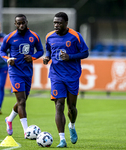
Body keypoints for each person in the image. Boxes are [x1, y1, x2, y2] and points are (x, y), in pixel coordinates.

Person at [43, 12, 89, 148]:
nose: (56, 25)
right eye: (55, 23)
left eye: (59, 23)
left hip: (72, 76)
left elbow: (85, 53)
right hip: (56, 75)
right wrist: (47, 58)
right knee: (59, 105)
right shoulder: (49, 36)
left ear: (66, 23)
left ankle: (72, 125)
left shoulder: (75, 36)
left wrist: (70, 56)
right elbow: (48, 50)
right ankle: (62, 139)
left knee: (72, 108)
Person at [0, 14, 44, 138]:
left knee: (22, 101)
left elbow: (41, 50)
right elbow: (2, 51)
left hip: (28, 72)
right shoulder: (10, 37)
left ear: (26, 22)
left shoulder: (34, 36)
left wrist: (33, 57)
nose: (21, 25)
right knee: (22, 101)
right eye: (18, 23)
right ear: (15, 24)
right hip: (15, 72)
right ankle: (26, 131)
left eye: (23, 23)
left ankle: (9, 119)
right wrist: (8, 59)